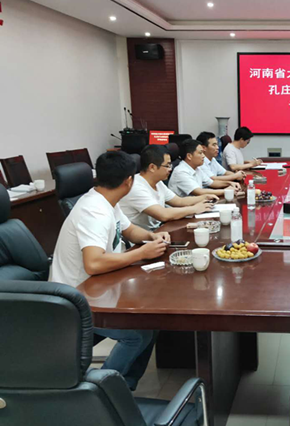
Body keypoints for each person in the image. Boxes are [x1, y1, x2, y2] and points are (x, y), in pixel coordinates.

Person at [50, 151, 170, 391]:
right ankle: (100, 391)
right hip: (76, 300)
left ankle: (126, 384)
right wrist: (141, 254)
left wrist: (151, 237)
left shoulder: (106, 200)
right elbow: (93, 263)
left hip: (100, 288)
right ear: (129, 181)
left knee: (151, 321)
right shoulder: (93, 211)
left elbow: (129, 230)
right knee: (136, 335)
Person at [120, 145, 216, 231]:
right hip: (142, 238)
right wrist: (195, 209)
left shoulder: (158, 182)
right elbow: (163, 214)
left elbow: (179, 201)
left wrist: (205, 197)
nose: (170, 169)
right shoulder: (136, 187)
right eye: (167, 165)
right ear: (152, 167)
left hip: (158, 230)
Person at [168, 139, 242, 198]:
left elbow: (212, 183)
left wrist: (230, 183)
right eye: (200, 153)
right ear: (189, 156)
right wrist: (226, 191)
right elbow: (199, 192)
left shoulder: (197, 168)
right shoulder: (181, 172)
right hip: (181, 210)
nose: (203, 156)